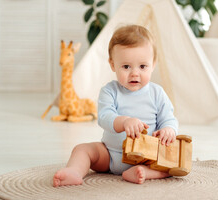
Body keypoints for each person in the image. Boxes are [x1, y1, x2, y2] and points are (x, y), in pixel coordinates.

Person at [53, 25, 178, 186]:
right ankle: (74, 171)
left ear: (153, 64)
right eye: (126, 66)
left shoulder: (157, 93)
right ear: (113, 65)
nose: (134, 73)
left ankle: (143, 172)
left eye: (142, 66)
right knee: (82, 149)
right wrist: (124, 121)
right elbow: (104, 117)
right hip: (111, 155)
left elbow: (169, 118)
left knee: (172, 165)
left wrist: (169, 129)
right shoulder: (110, 91)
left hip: (148, 157)